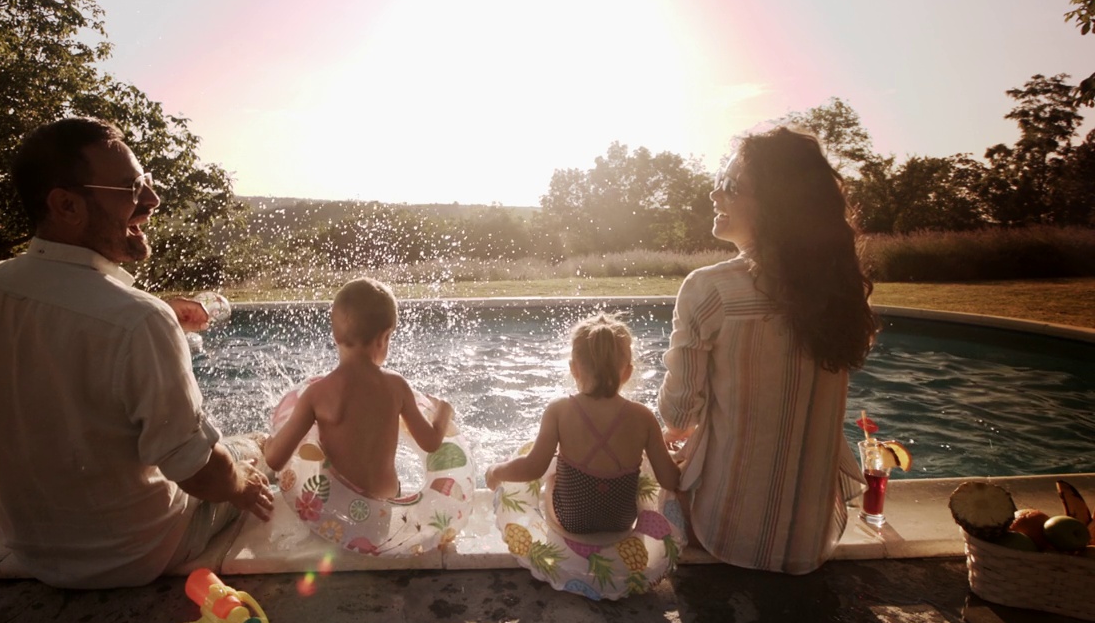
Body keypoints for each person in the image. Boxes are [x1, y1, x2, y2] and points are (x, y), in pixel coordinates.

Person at [0, 116, 273, 589]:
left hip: (32, 549)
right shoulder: (138, 321)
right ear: (66, 205)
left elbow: (56, 350)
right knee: (257, 448)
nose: (151, 199)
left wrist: (157, 315)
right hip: (135, 553)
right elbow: (198, 473)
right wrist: (245, 483)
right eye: (130, 188)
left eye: (145, 182)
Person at [658, 126, 877, 575]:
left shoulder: (710, 288)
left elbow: (679, 415)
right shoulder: (840, 290)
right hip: (812, 542)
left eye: (730, 186)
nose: (715, 195)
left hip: (724, 535)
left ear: (774, 204)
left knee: (631, 457)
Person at [485, 312, 680, 534]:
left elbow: (531, 468)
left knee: (551, 469)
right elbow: (669, 480)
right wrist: (683, 458)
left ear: (574, 368)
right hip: (621, 521)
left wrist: (495, 471)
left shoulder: (559, 411)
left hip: (570, 518)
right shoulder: (643, 417)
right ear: (627, 372)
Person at [263, 277, 453, 500]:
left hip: (334, 510)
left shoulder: (316, 395)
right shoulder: (396, 386)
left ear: (335, 336)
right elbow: (431, 442)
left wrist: (268, 444)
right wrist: (444, 411)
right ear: (384, 338)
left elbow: (275, 460)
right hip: (384, 505)